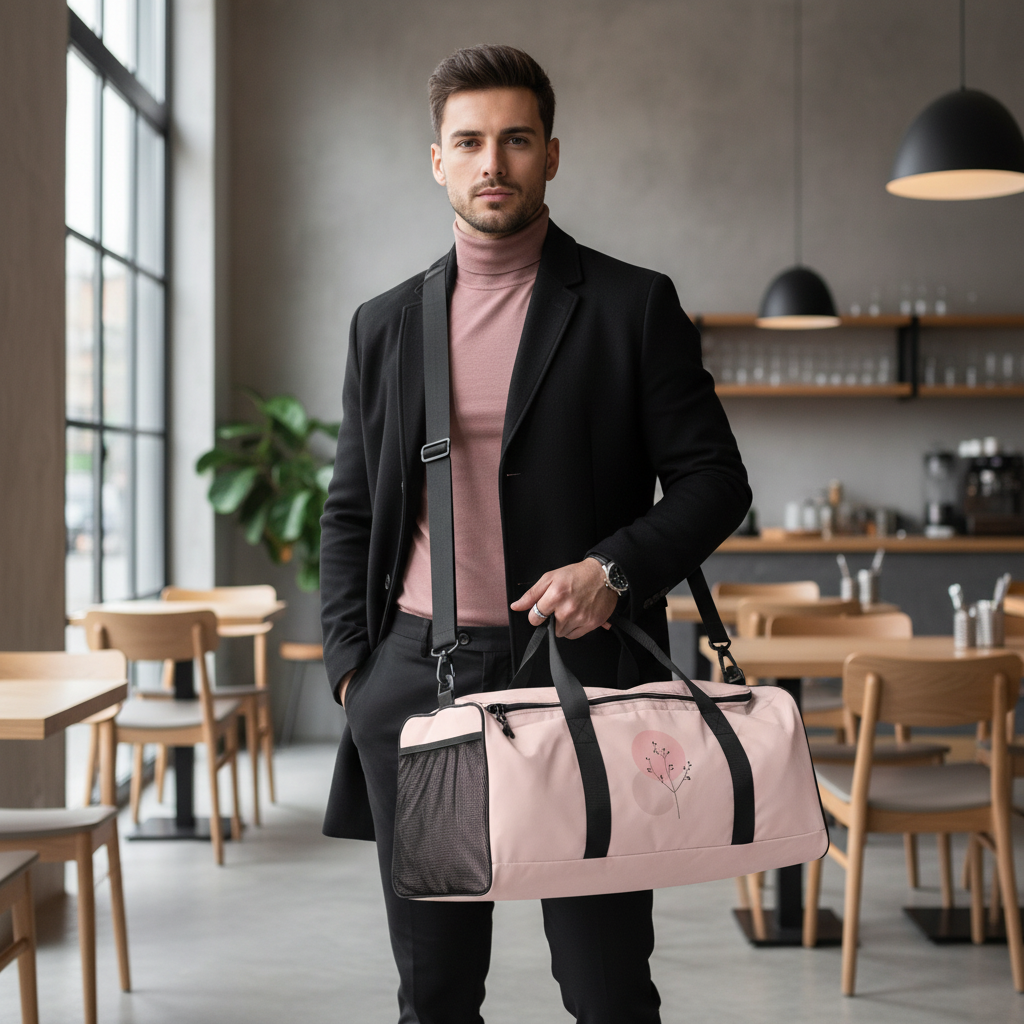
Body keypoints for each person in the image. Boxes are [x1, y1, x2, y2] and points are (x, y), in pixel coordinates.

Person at [320, 43, 750, 1024]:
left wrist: (614, 567)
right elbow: (348, 510)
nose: (491, 163)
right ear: (437, 160)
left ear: (551, 155)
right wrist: (355, 668)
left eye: (514, 140)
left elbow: (715, 481)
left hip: (582, 683)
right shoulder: (383, 326)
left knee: (604, 988)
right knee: (436, 991)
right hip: (425, 685)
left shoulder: (632, 305)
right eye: (468, 142)